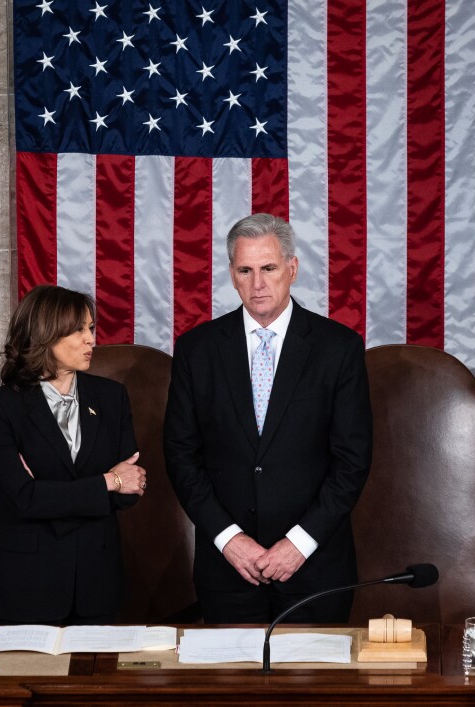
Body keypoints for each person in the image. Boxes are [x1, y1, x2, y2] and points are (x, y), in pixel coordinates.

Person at [164, 213, 372, 623]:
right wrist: (230, 539)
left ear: (292, 269)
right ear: (232, 274)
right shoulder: (197, 350)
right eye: (246, 270)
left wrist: (298, 543)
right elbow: (181, 455)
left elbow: (352, 462)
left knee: (315, 688)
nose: (257, 283)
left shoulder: (338, 348)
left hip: (315, 572)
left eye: (269, 268)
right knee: (230, 687)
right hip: (228, 571)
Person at [0, 285, 146, 625]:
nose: (90, 339)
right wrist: (109, 481)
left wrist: (55, 494)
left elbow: (129, 492)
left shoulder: (111, 397)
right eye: (78, 329)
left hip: (96, 580)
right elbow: (24, 498)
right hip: (25, 582)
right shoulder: (0, 408)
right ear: (44, 335)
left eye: (90, 328)